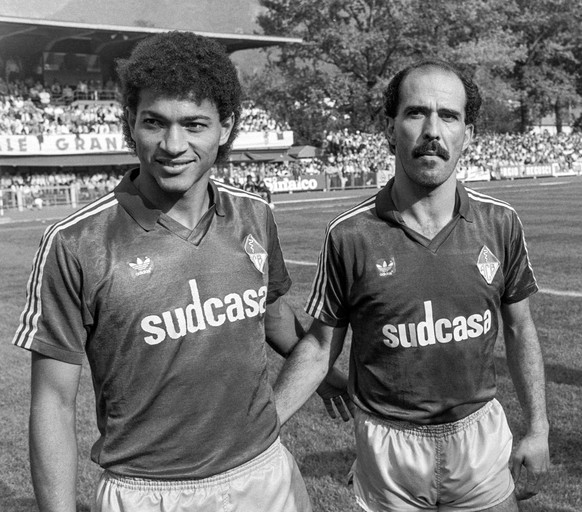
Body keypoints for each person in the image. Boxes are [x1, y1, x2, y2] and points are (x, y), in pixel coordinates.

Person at [12, 31, 322, 512]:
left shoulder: (255, 216)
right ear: (128, 125)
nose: (173, 145)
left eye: (194, 124)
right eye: (154, 123)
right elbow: (52, 402)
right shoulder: (75, 243)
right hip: (148, 493)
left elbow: (277, 326)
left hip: (265, 475)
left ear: (226, 126)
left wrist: (327, 370)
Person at [274, 59, 550, 511]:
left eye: (449, 116)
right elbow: (321, 347)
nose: (432, 131)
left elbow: (520, 329)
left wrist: (538, 428)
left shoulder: (501, 223)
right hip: (388, 444)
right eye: (416, 112)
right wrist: (266, 427)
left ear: (469, 135)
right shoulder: (349, 235)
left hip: (478, 434)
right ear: (390, 129)